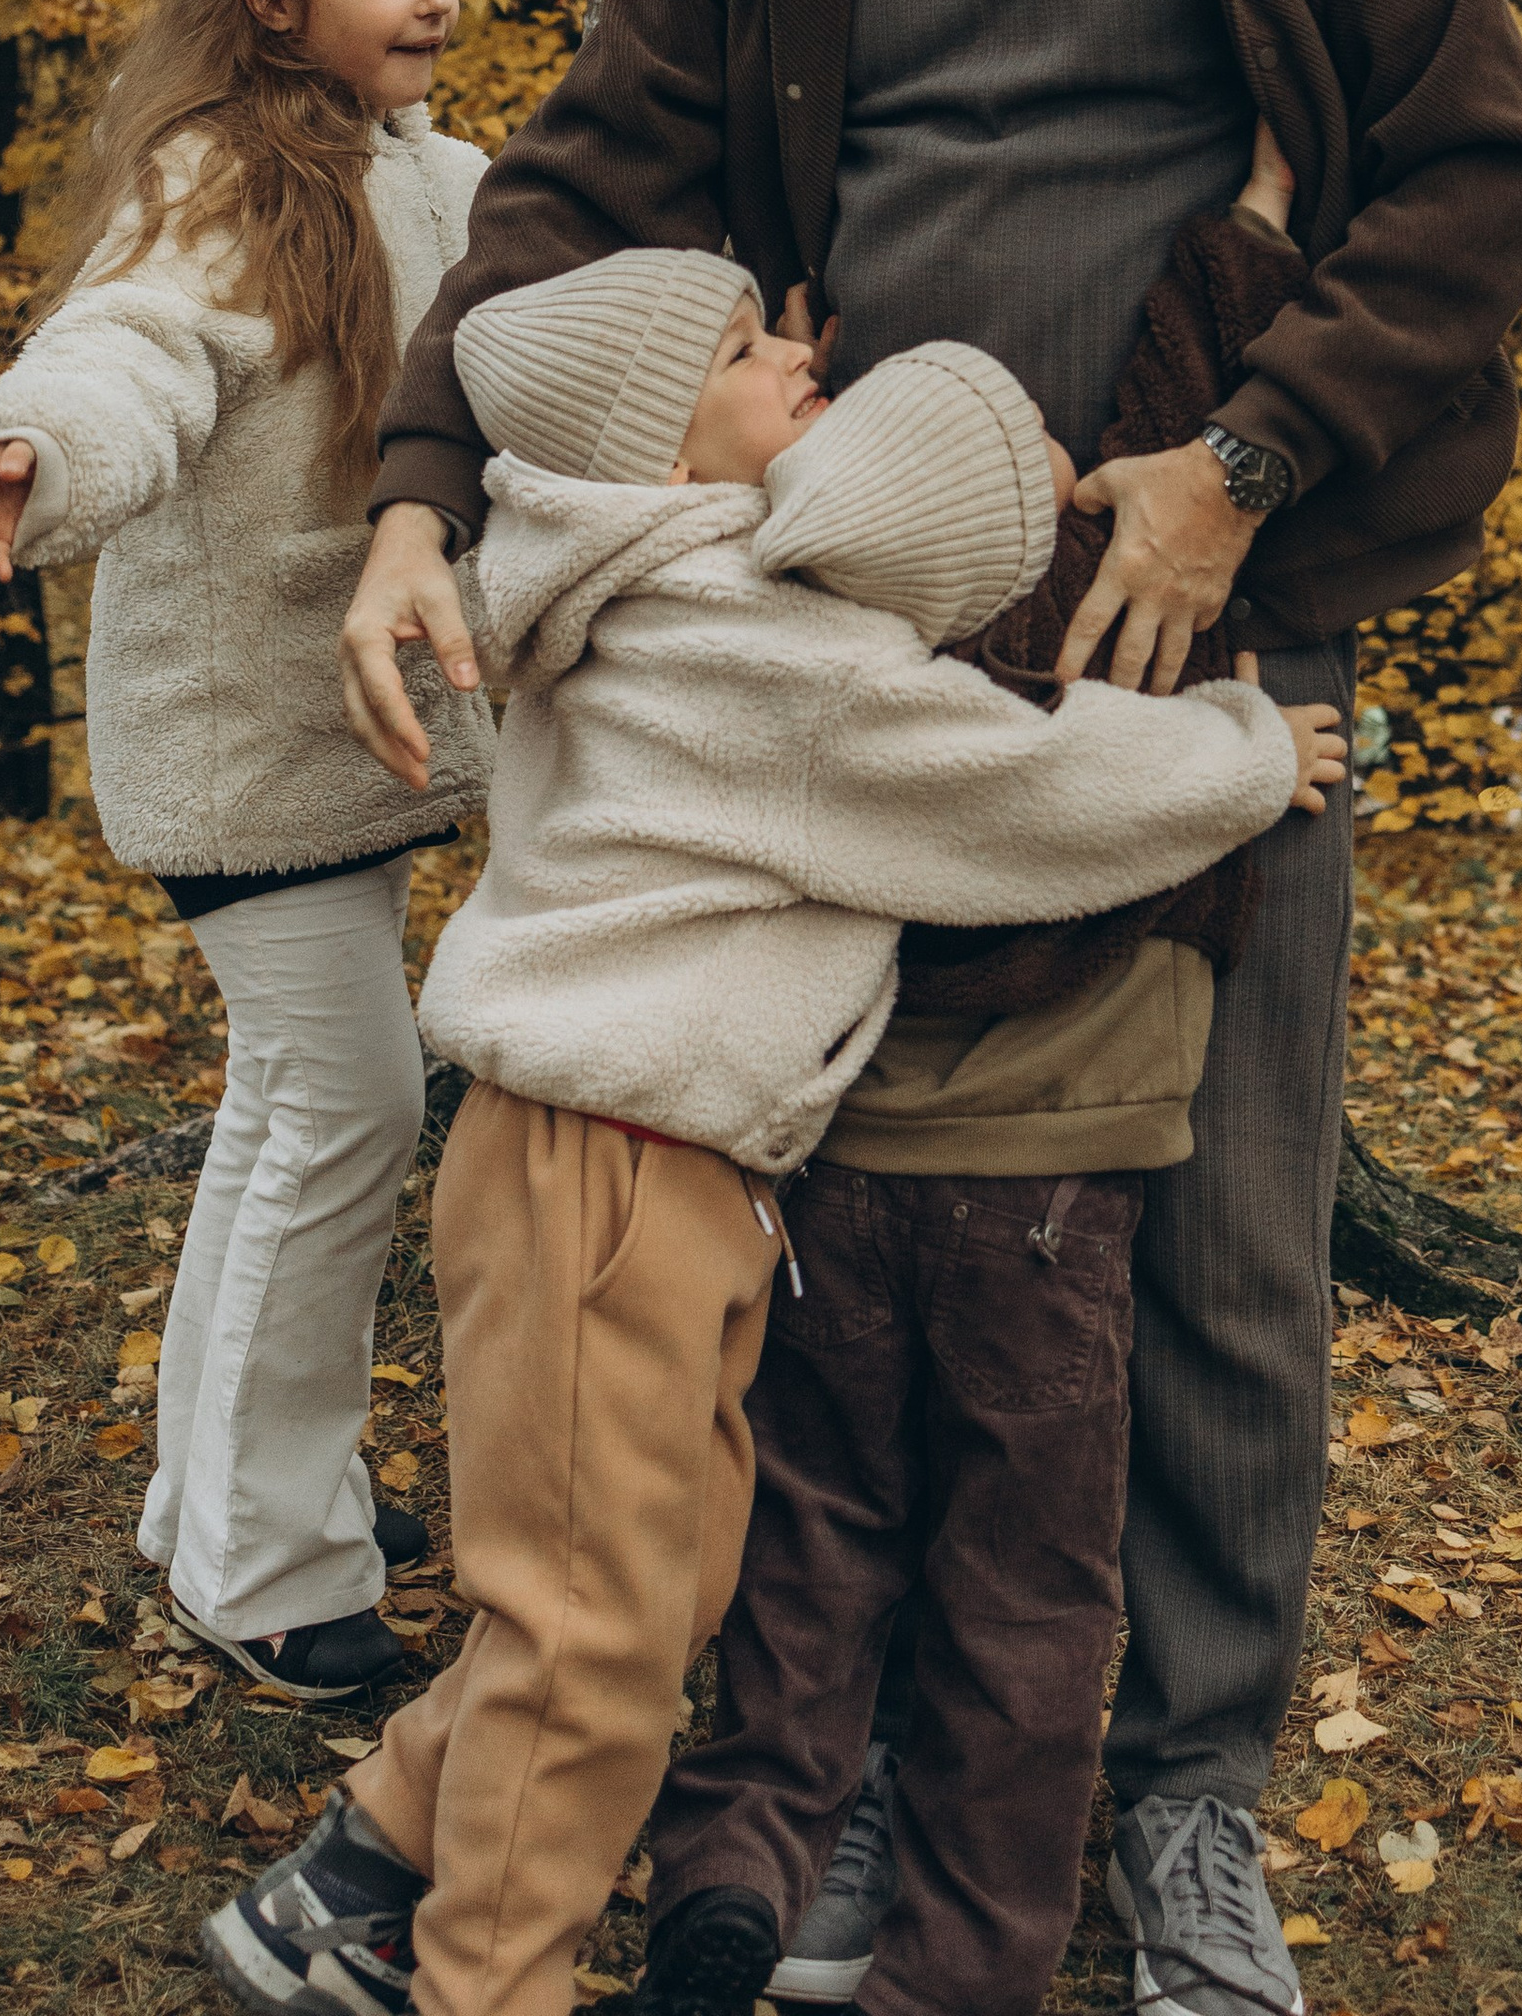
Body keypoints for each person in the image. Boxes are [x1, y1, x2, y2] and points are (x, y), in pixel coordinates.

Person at [343, 0, 1522, 2016]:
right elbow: (574, 195)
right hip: (857, 657)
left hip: (1200, 607)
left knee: (1221, 1226)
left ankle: (1188, 1801)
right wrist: (421, 489)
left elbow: (1485, 179)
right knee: (873, 1239)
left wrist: (1243, 460)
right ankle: (871, 1764)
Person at [207, 247, 1340, 2016]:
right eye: (745, 352)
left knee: (649, 1587)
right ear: (666, 459)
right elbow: (1005, 780)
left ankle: (360, 1866)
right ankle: (483, 1979)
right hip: (611, 1174)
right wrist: (1246, 756)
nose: (800, 354)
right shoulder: (737, 645)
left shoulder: (647, 588)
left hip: (646, 1169)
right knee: (595, 1631)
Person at [640, 138, 1323, 2016]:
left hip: (841, 1173)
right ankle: (957, 1965)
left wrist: (778, 384)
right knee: (1028, 1587)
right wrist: (1254, 221)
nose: (1061, 446)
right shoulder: (1120, 622)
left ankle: (746, 1854)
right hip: (1056, 1191)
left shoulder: (803, 640)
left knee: (815, 1539)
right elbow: (1176, 393)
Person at [0, 0, 493, 1704]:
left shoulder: (447, 175)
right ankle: (263, 1563)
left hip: (353, 742)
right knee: (348, 1108)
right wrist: (38, 451)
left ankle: (227, 1490)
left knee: (290, 1108)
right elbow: (127, 351)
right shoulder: (219, 180)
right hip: (243, 753)